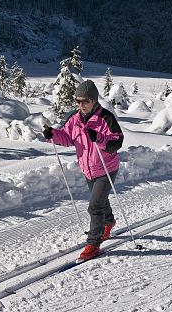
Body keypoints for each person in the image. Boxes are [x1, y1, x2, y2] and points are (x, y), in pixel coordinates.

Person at [43, 80, 124, 261]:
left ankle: (93, 243)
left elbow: (117, 141)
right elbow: (67, 137)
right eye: (78, 101)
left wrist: (100, 138)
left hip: (106, 168)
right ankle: (109, 222)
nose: (81, 105)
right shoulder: (74, 119)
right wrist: (53, 134)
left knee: (95, 206)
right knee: (100, 200)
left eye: (85, 101)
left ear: (94, 100)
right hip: (88, 169)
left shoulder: (106, 118)